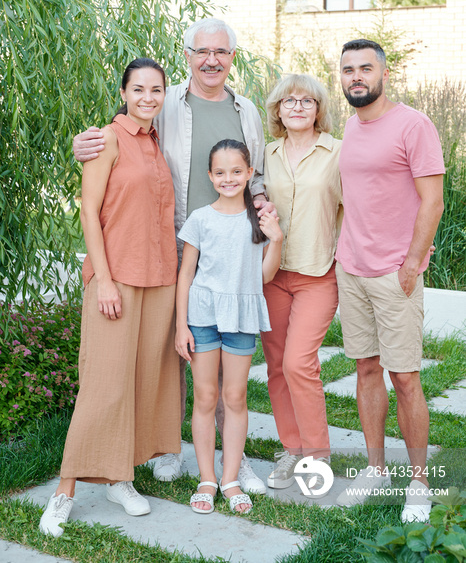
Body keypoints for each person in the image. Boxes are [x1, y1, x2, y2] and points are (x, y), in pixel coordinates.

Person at [72, 18, 271, 494]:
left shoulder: (247, 112)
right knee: (176, 347)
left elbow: (256, 173)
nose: (211, 60)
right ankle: (167, 447)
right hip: (175, 239)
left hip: (229, 243)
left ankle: (231, 457)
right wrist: (83, 143)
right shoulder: (165, 103)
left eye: (221, 52)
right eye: (202, 51)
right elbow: (124, 137)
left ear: (232, 58)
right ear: (188, 54)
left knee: (223, 351)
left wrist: (261, 206)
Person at [39, 58, 180, 537]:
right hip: (115, 279)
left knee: (144, 381)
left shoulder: (157, 144)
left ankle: (122, 478)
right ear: (123, 92)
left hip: (159, 278)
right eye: (138, 89)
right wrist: (102, 279)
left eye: (156, 89)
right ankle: (64, 491)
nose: (147, 97)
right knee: (103, 384)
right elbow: (89, 212)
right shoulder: (107, 139)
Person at [334, 39, 444, 522]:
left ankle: (418, 482)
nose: (356, 76)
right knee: (365, 370)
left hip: (394, 274)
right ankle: (376, 469)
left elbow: (433, 201)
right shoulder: (351, 127)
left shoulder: (413, 125)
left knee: (405, 377)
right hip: (351, 270)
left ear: (383, 73)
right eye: (347, 70)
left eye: (365, 68)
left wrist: (412, 261)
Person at [175, 140, 283, 514]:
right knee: (205, 397)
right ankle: (207, 478)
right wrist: (180, 327)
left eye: (237, 171)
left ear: (250, 173)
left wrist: (277, 241)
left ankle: (231, 477)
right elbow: (185, 275)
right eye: (220, 172)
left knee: (234, 397)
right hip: (202, 318)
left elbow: (263, 277)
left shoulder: (258, 221)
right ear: (210, 176)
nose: (229, 178)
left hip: (241, 317)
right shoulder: (201, 219)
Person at [261, 75, 342, 490]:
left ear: (318, 109)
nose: (296, 107)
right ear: (277, 109)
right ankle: (290, 450)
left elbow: (362, 205)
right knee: (276, 366)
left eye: (306, 100)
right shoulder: (265, 154)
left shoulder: (338, 153)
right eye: (288, 100)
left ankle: (317, 455)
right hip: (272, 275)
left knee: (298, 363)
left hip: (317, 274)